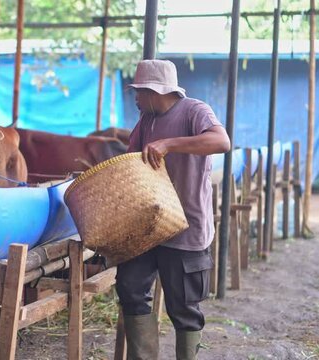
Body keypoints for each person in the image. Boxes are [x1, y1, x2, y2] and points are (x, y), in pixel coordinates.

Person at [116, 59, 231, 360]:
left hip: (185, 226)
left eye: (139, 93)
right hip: (149, 227)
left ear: (155, 91)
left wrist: (170, 143)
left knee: (184, 308)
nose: (136, 100)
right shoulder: (146, 121)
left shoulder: (195, 111)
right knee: (130, 288)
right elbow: (129, 164)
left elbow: (222, 141)